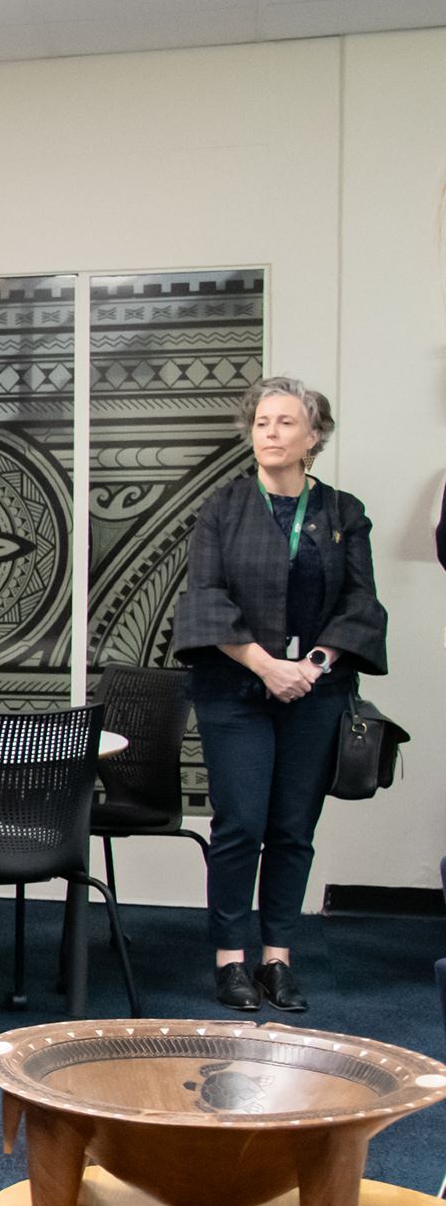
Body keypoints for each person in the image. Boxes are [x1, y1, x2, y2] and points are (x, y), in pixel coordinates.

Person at [173, 375, 386, 1015]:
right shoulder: (223, 507)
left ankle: (278, 960)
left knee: (293, 828)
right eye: (262, 422)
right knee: (240, 823)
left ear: (312, 437)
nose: (270, 433)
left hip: (315, 691)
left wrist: (312, 665)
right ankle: (230, 962)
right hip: (234, 689)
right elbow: (204, 601)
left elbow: (360, 605)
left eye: (285, 422)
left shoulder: (343, 512)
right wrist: (268, 666)